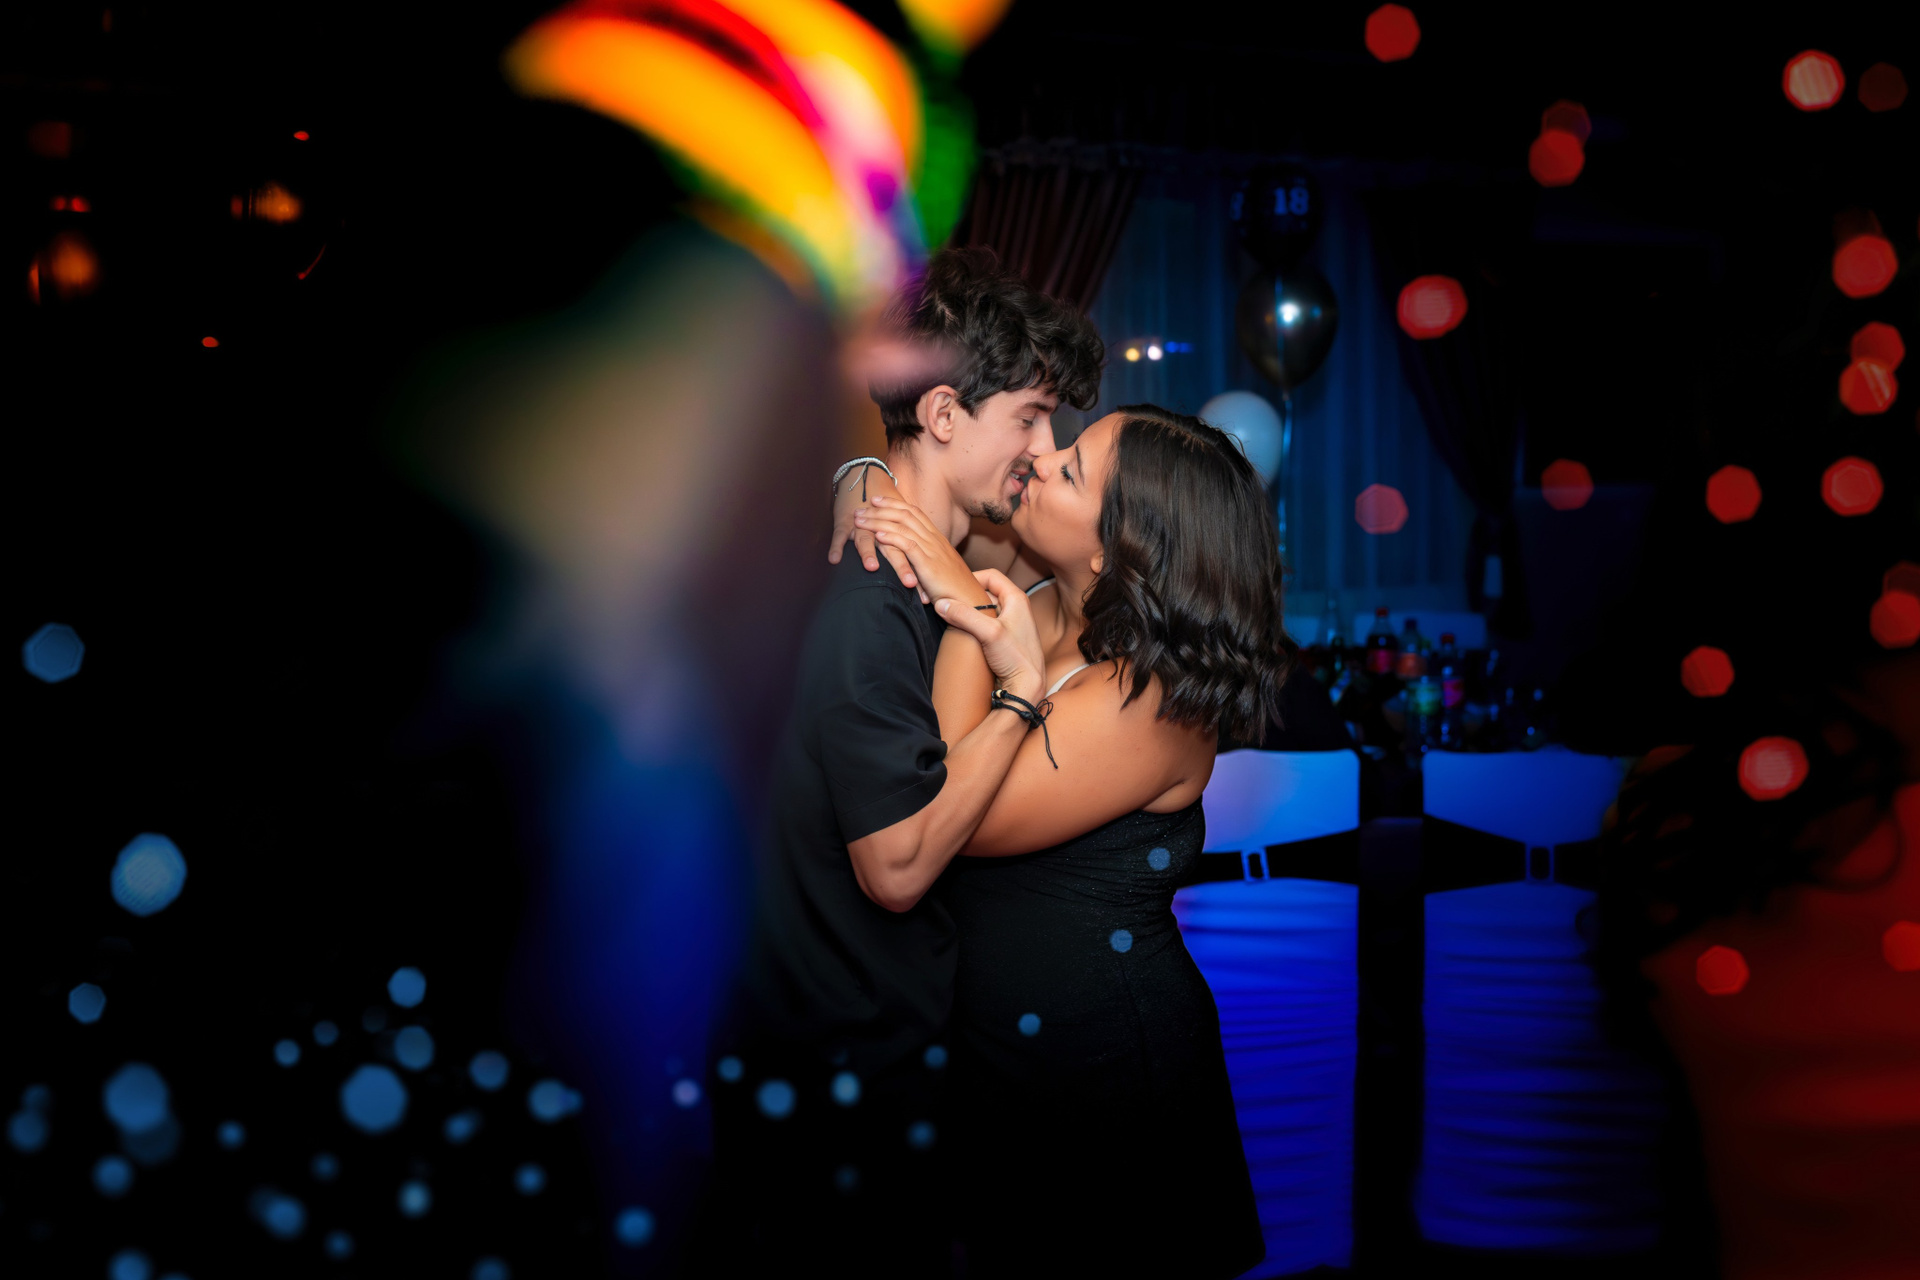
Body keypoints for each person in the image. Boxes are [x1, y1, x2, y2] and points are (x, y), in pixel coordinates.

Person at [683, 247, 1103, 1278]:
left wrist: (857, 469)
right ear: (946, 412)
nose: (1043, 450)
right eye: (1030, 417)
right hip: (836, 1073)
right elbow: (898, 865)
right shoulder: (873, 592)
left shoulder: (925, 571)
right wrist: (1018, 694)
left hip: (864, 1056)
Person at [846, 404, 1286, 1278]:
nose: (1041, 459)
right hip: (997, 1049)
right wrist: (853, 479)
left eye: (1072, 469)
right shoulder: (1038, 587)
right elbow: (895, 482)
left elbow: (945, 812)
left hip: (1102, 1067)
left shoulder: (1156, 702)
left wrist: (970, 609)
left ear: (1116, 551)